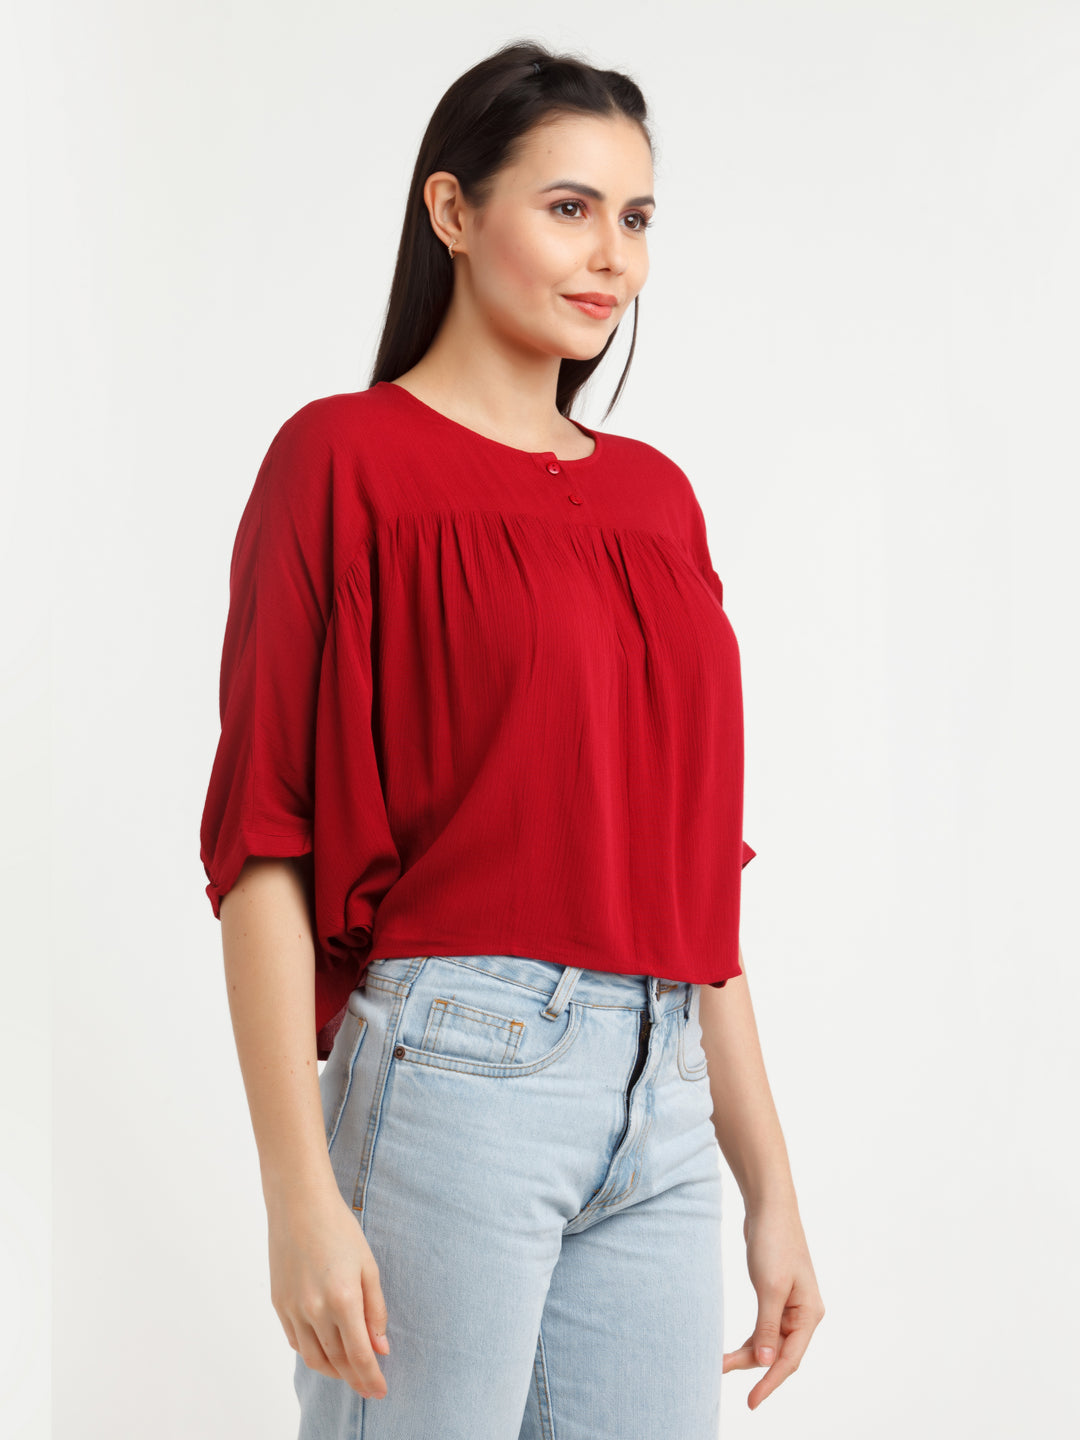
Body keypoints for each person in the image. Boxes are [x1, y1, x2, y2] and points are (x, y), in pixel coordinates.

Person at [200, 39, 824, 1440]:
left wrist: (768, 1186)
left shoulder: (658, 501)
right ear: (452, 210)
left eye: (636, 216)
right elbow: (265, 845)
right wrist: (298, 1194)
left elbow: (692, 883)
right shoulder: (343, 462)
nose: (613, 256)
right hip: (451, 1086)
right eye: (569, 207)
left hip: (664, 1104)